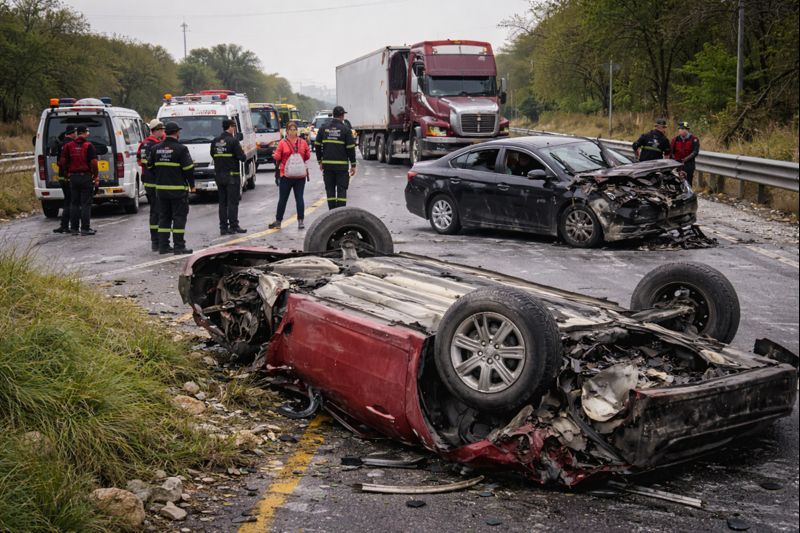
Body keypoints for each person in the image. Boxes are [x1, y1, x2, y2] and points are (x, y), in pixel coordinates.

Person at [148, 122, 195, 255]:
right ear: (176, 132)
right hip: (177, 190)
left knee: (164, 217)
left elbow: (150, 167)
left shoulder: (155, 148)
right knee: (179, 218)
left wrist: (159, 177)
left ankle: (163, 246)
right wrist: (192, 185)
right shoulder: (181, 149)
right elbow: (188, 170)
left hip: (161, 190)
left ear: (165, 132)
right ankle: (179, 246)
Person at [269, 120, 311, 229]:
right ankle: (300, 221)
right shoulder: (303, 142)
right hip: (300, 176)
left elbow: (277, 157)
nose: (293, 132)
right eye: (292, 130)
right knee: (299, 198)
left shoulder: (283, 143)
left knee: (283, 199)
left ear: (286, 131)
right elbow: (307, 156)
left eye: (293, 130)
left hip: (285, 175)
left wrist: (275, 155)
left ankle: (278, 221)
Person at [58, 125, 98, 235]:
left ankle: (74, 228)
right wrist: (96, 176)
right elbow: (94, 162)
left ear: (77, 133)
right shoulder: (89, 146)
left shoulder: (68, 146)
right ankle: (85, 228)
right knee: (85, 204)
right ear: (84, 133)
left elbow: (62, 161)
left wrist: (67, 173)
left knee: (74, 203)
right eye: (87, 132)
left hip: (73, 178)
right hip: (85, 177)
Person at [315, 105, 356, 209]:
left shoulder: (323, 128)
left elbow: (317, 145)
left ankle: (331, 216)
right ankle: (340, 216)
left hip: (328, 166)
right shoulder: (346, 129)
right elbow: (351, 148)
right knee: (342, 191)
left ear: (333, 115)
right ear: (342, 116)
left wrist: (320, 161)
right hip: (341, 168)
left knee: (330, 191)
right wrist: (353, 164)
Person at [210, 119, 247, 235]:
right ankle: (234, 226)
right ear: (230, 127)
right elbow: (242, 158)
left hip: (219, 176)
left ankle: (223, 228)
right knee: (232, 202)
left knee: (222, 202)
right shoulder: (233, 141)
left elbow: (213, 154)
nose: (234, 129)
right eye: (234, 127)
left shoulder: (215, 141)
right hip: (232, 176)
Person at [137, 119, 166, 250]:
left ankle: (155, 240)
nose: (164, 132)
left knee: (154, 210)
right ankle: (157, 241)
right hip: (156, 180)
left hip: (147, 179)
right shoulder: (155, 145)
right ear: (157, 130)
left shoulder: (144, 144)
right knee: (158, 211)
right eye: (162, 130)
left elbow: (139, 161)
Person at [52, 125, 77, 233]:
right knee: (72, 202)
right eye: (75, 133)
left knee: (67, 200)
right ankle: (71, 226)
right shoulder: (71, 145)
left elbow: (59, 162)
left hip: (62, 176)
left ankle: (64, 225)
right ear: (72, 133)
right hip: (69, 176)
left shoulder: (61, 144)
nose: (76, 135)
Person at [671, 121, 700, 186]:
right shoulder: (675, 139)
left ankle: (689, 194)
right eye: (680, 129)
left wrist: (685, 159)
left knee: (688, 182)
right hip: (677, 164)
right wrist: (674, 161)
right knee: (677, 182)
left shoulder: (694, 139)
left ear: (687, 130)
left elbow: (695, 152)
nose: (682, 131)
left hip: (689, 164)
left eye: (684, 129)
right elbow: (671, 152)